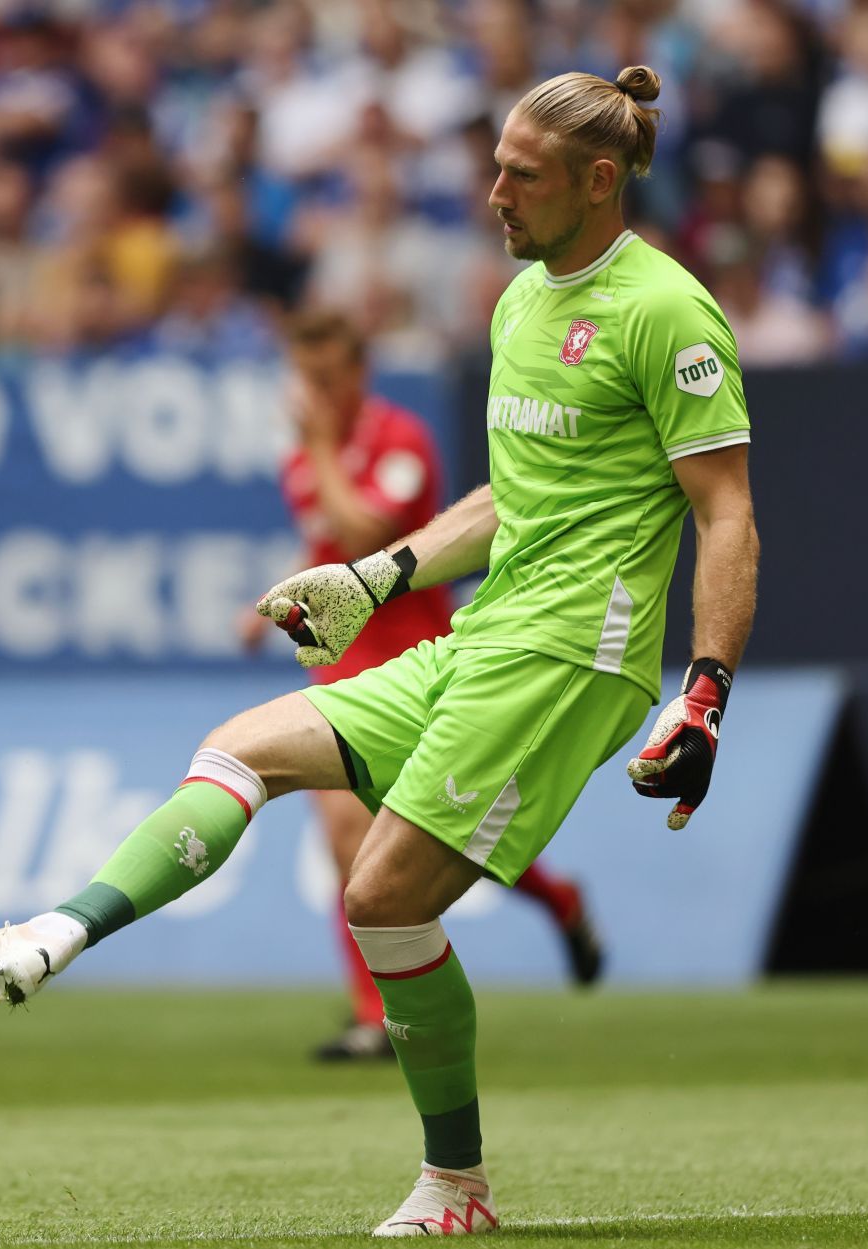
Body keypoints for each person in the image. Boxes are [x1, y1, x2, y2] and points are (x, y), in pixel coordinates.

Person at [0, 65, 760, 1238]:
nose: (493, 192)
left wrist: (705, 689)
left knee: (381, 899)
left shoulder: (667, 310)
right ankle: (48, 934)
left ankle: (456, 1184)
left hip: (575, 655)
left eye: (520, 173)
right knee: (241, 746)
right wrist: (379, 574)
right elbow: (512, 502)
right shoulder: (521, 304)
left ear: (600, 180)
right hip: (485, 634)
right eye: (497, 165)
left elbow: (726, 512)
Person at [249, 307, 606, 1063]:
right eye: (302, 378)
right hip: (343, 663)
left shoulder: (397, 444)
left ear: (357, 373)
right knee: (345, 834)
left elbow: (361, 538)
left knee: (450, 827)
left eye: (324, 378)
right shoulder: (306, 454)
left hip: (421, 660)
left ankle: (561, 903)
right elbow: (322, 542)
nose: (311, 393)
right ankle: (372, 1016)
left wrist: (317, 447)